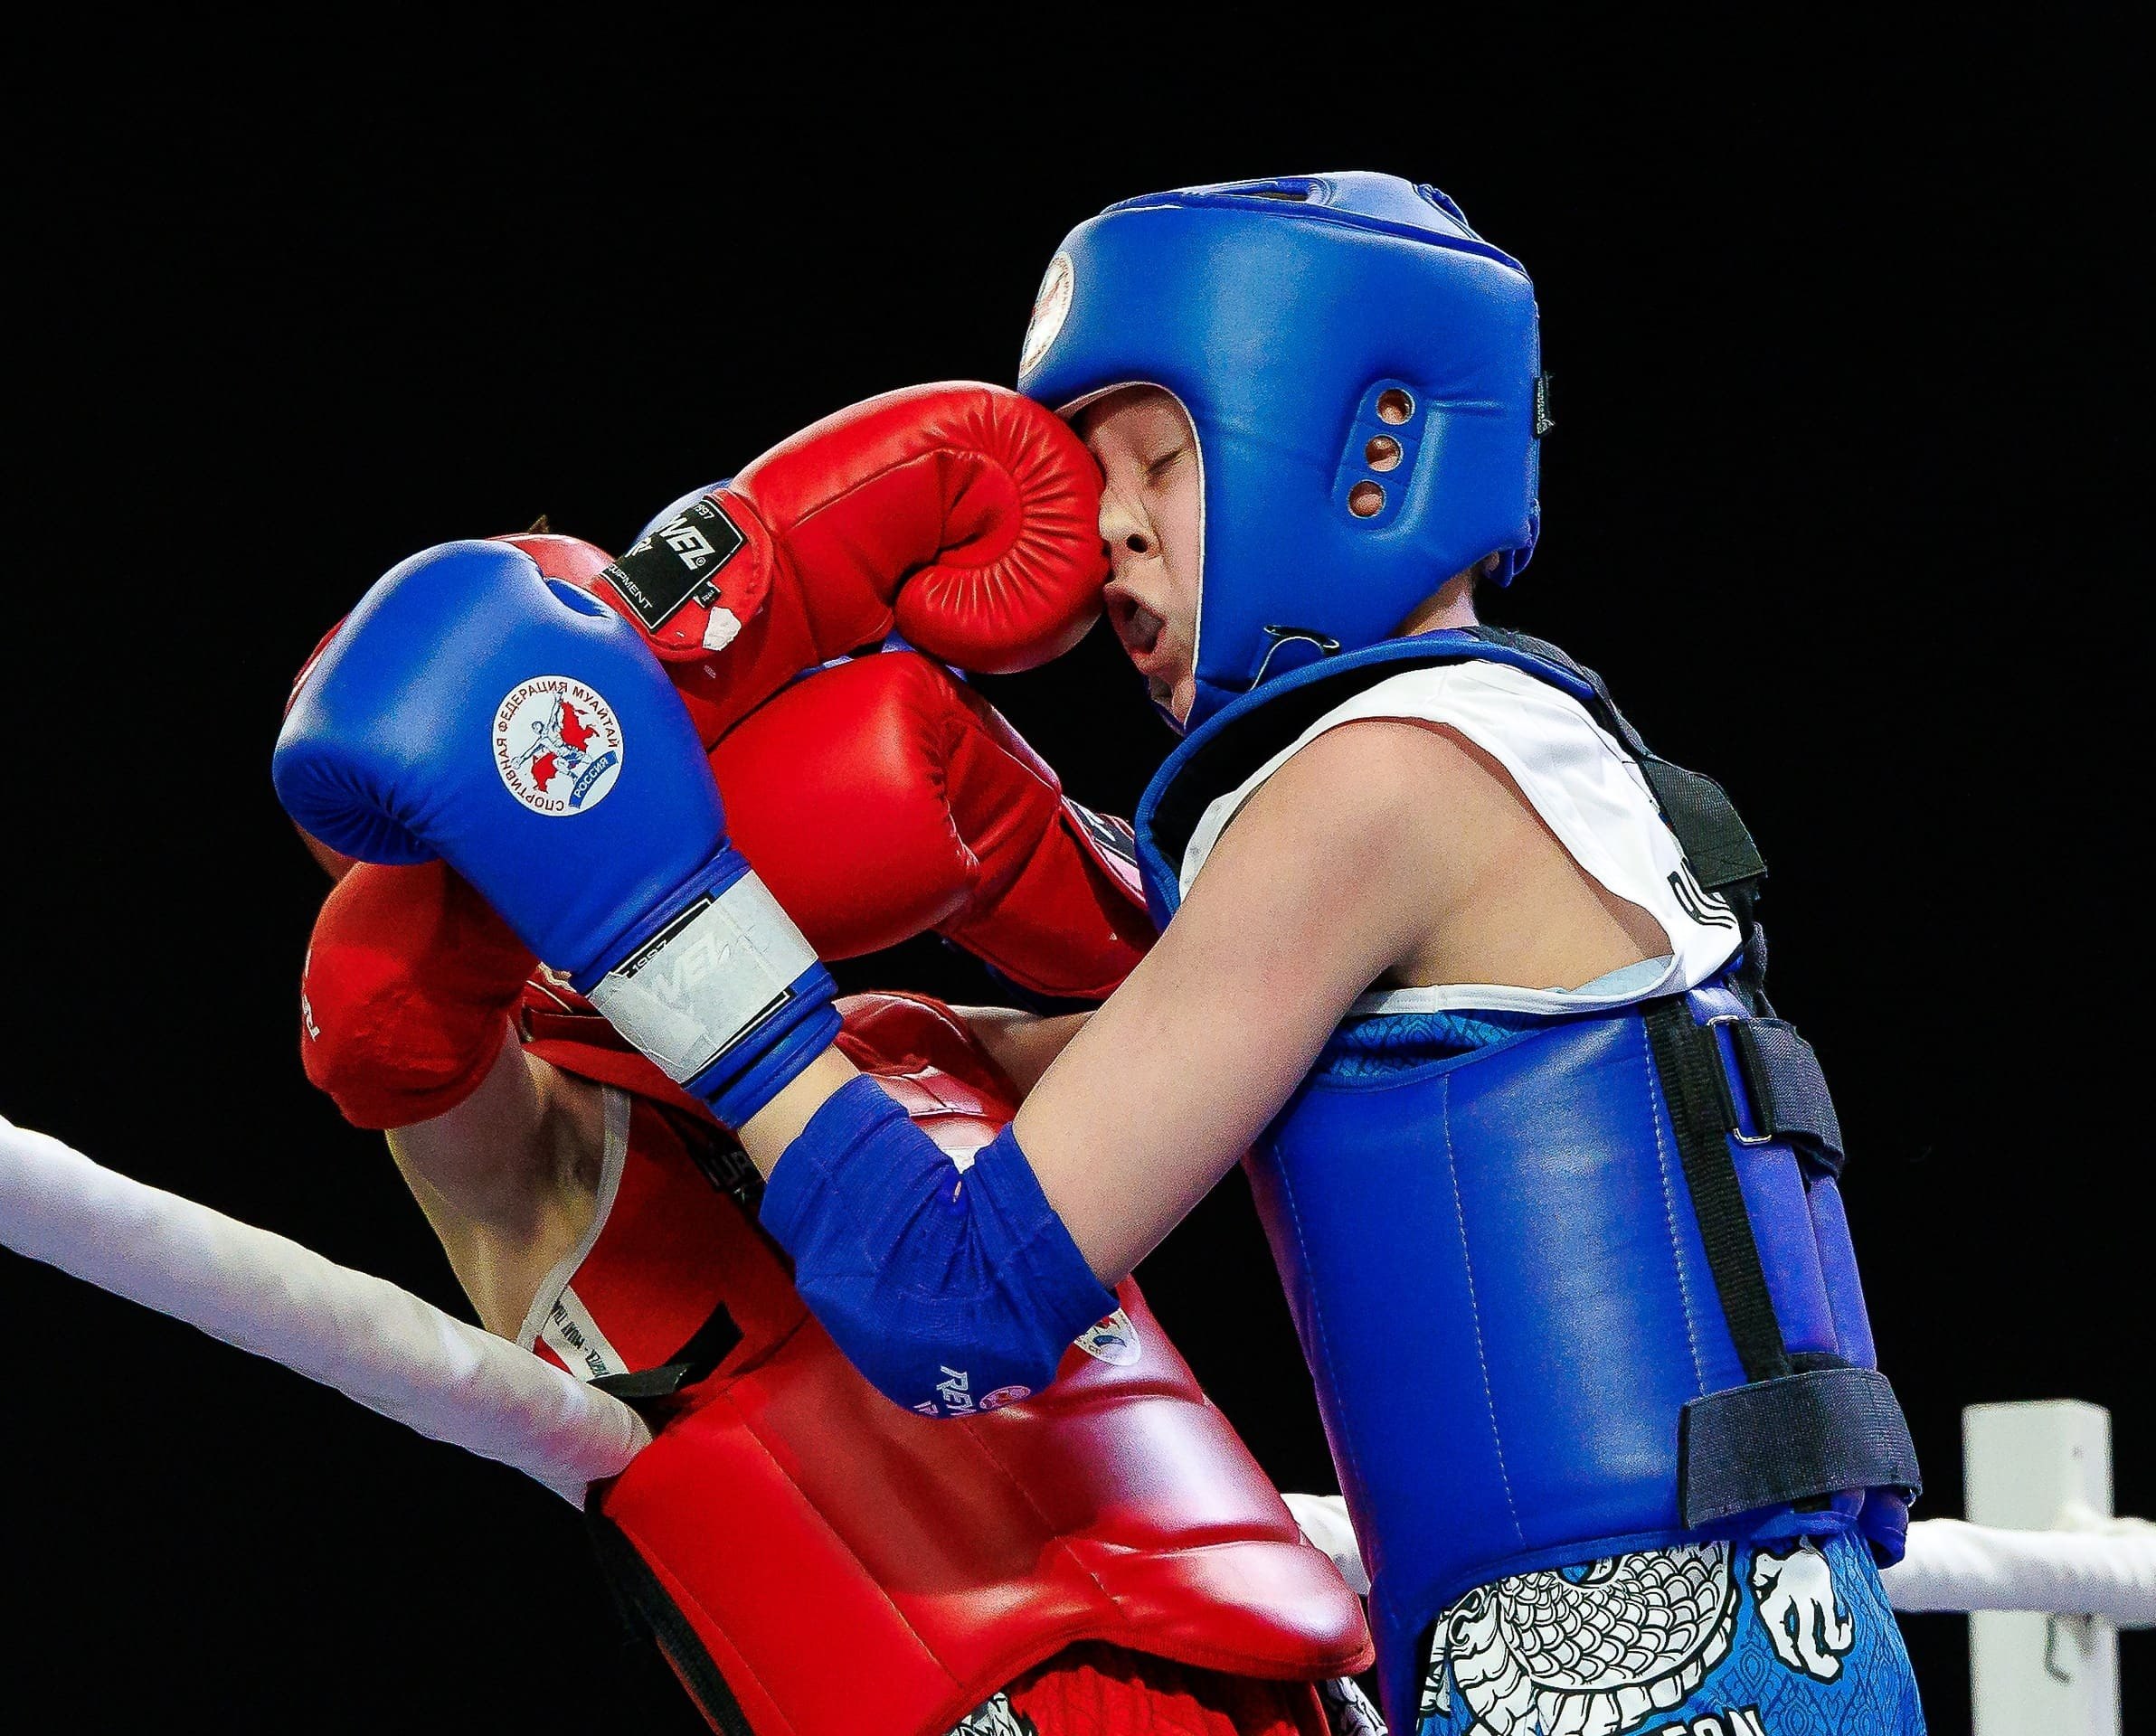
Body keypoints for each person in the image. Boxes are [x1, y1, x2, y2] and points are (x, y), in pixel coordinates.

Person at [274, 178, 1925, 1735]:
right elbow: (1078, 1056)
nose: (1104, 531)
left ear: (1369, 451)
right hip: (1709, 1638)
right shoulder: (1521, 748)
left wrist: (667, 915)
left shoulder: (1378, 783)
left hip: (1625, 1656)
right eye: (1085, 471)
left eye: (1158, 462)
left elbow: (950, 1298)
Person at [285, 385, 1379, 1736]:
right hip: (972, 1700)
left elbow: (1252, 1026)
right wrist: (537, 854)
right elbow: (393, 1045)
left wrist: (1046, 845)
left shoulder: (911, 1042)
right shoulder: (542, 1146)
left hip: (1279, 1674)